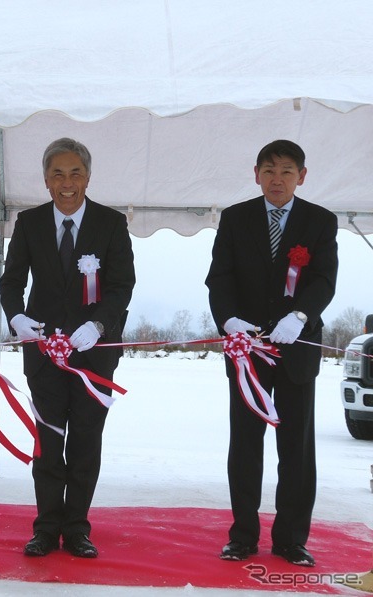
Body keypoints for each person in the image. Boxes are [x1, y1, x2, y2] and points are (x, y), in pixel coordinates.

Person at [0, 137, 135, 558]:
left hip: (94, 355)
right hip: (44, 354)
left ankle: (77, 528)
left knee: (85, 443)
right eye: (58, 174)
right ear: (46, 180)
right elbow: (11, 282)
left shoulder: (111, 224)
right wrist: (16, 316)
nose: (67, 182)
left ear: (88, 177)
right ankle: (45, 527)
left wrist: (99, 324)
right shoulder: (30, 223)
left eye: (75, 173)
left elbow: (121, 286)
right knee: (48, 443)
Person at [205, 139, 338, 567]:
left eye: (286, 171)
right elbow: (219, 279)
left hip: (296, 349)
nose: (276, 179)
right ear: (256, 173)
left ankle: (291, 538)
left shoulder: (320, 221)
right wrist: (228, 321)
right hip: (247, 353)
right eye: (268, 170)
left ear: (301, 176)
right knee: (245, 444)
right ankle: (243, 535)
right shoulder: (236, 218)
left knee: (296, 448)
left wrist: (299, 316)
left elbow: (323, 279)